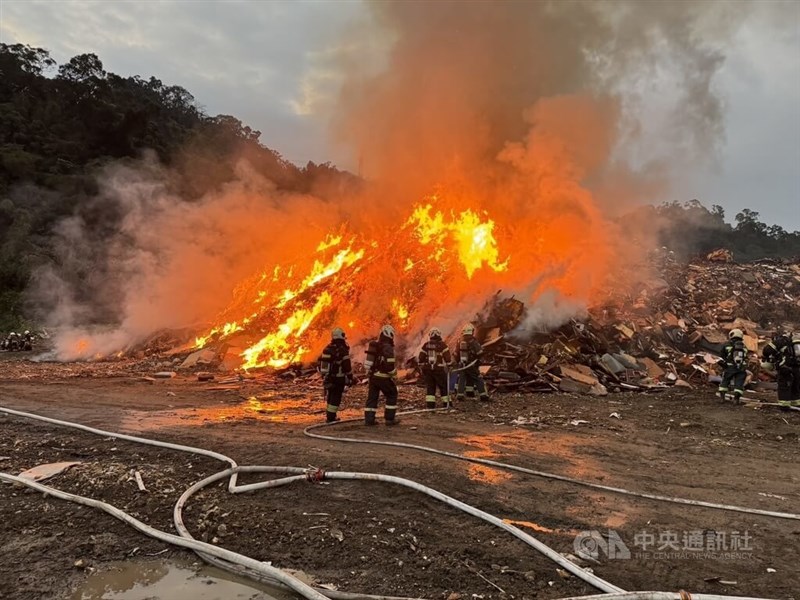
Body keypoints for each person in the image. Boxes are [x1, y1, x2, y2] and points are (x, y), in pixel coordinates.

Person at [364, 324, 399, 426]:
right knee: (392, 394)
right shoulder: (387, 347)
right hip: (383, 377)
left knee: (372, 397)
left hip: (373, 377)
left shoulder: (375, 345)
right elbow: (389, 365)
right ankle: (389, 419)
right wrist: (394, 374)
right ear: (390, 334)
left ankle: (369, 420)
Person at [317, 327, 353, 423]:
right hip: (338, 378)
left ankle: (330, 416)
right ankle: (331, 418)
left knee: (330, 396)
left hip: (328, 378)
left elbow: (320, 361)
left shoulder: (327, 348)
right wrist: (350, 377)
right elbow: (347, 366)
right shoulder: (342, 350)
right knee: (336, 397)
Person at [418, 327, 453, 410]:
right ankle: (447, 404)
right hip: (439, 370)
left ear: (430, 335)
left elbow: (421, 357)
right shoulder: (442, 345)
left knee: (430, 387)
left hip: (428, 370)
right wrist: (449, 365)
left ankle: (430, 405)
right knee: (443, 386)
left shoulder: (426, 345)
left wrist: (422, 366)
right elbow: (447, 357)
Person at [455, 323, 490, 402]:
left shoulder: (459, 341)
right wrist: (479, 359)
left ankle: (460, 395)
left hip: (462, 364)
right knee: (478, 378)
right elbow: (479, 352)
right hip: (471, 364)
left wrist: (459, 362)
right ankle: (483, 395)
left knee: (462, 379)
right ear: (471, 332)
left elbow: (456, 354)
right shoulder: (473, 341)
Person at [761, 332, 793, 405]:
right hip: (795, 367)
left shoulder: (780, 341)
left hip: (785, 367)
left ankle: (784, 405)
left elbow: (767, 350)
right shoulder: (791, 344)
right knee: (794, 385)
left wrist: (767, 357)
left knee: (783, 385)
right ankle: (796, 403)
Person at [718, 328, 748, 404]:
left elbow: (721, 355)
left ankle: (722, 398)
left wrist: (725, 362)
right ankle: (736, 399)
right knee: (739, 384)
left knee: (725, 381)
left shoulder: (727, 345)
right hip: (741, 368)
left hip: (729, 367)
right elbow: (746, 357)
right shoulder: (744, 347)